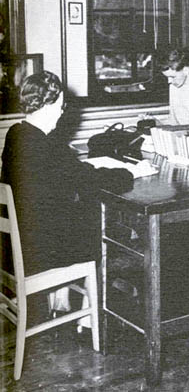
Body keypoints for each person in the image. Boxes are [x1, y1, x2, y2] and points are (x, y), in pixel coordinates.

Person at [1, 70, 134, 277]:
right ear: (48, 105)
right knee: (107, 227)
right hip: (42, 252)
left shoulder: (15, 134)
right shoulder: (47, 145)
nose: (62, 112)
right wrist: (127, 173)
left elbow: (71, 175)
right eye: (61, 106)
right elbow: (89, 179)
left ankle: (61, 294)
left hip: (15, 247)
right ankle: (99, 294)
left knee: (82, 210)